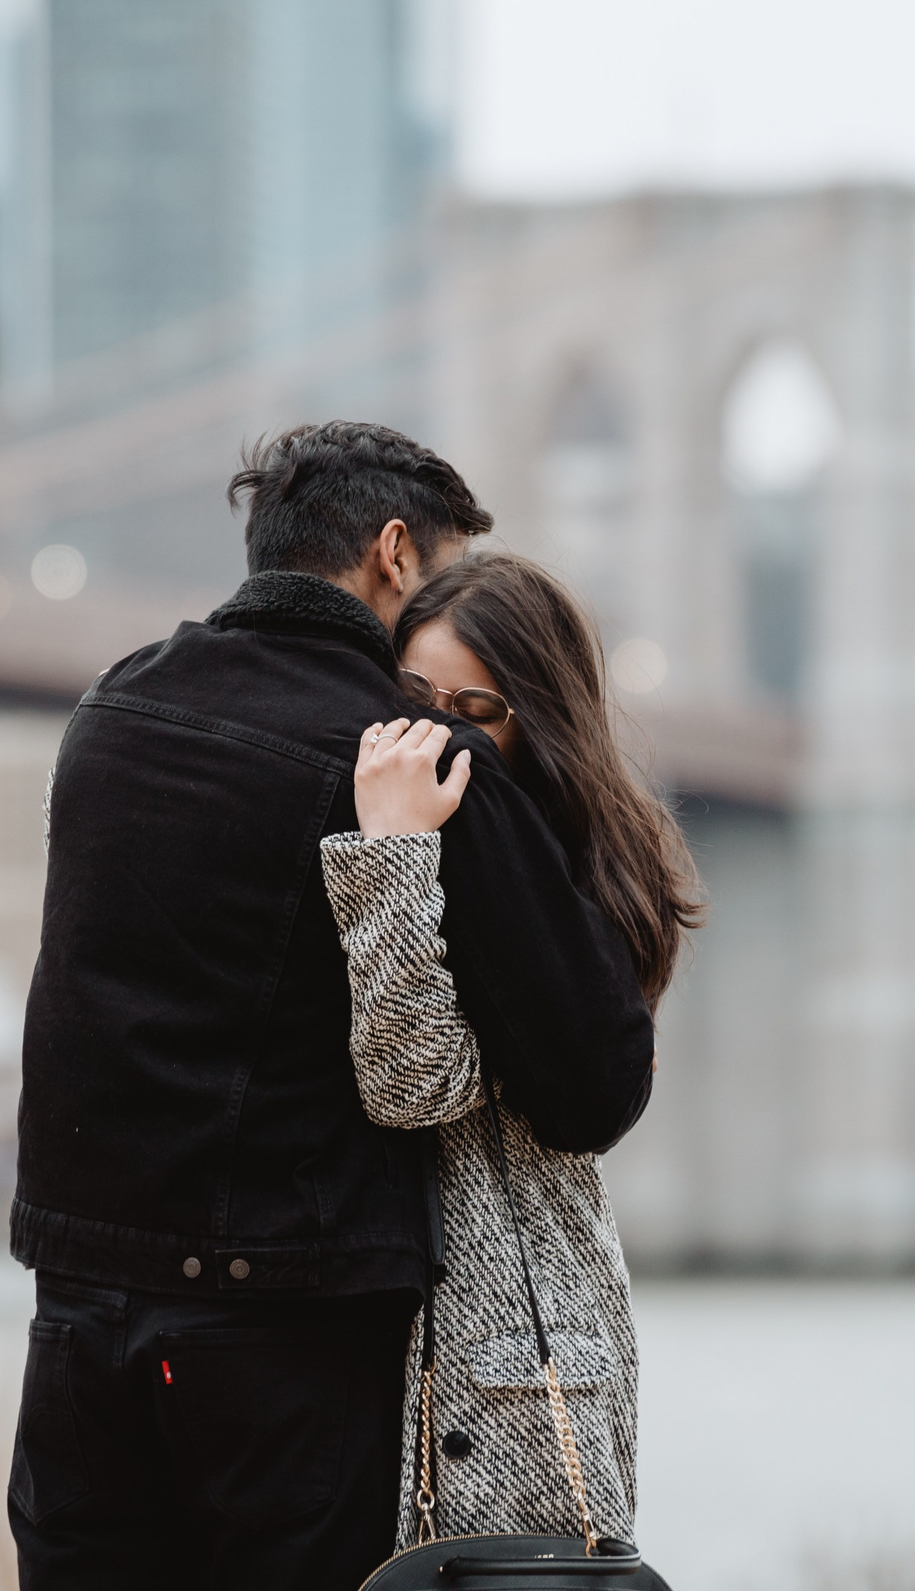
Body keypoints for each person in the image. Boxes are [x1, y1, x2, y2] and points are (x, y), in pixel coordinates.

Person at [9, 423, 658, 1591]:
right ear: (396, 554)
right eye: (447, 565)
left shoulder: (109, 713)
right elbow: (596, 1079)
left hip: (77, 1333)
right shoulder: (411, 756)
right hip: (281, 1356)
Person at [321, 551, 700, 1553]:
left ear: (537, 720)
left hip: (515, 1369)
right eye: (411, 697)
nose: (434, 732)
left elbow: (410, 1080)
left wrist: (393, 853)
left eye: (472, 709)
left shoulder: (563, 881)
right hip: (449, 1351)